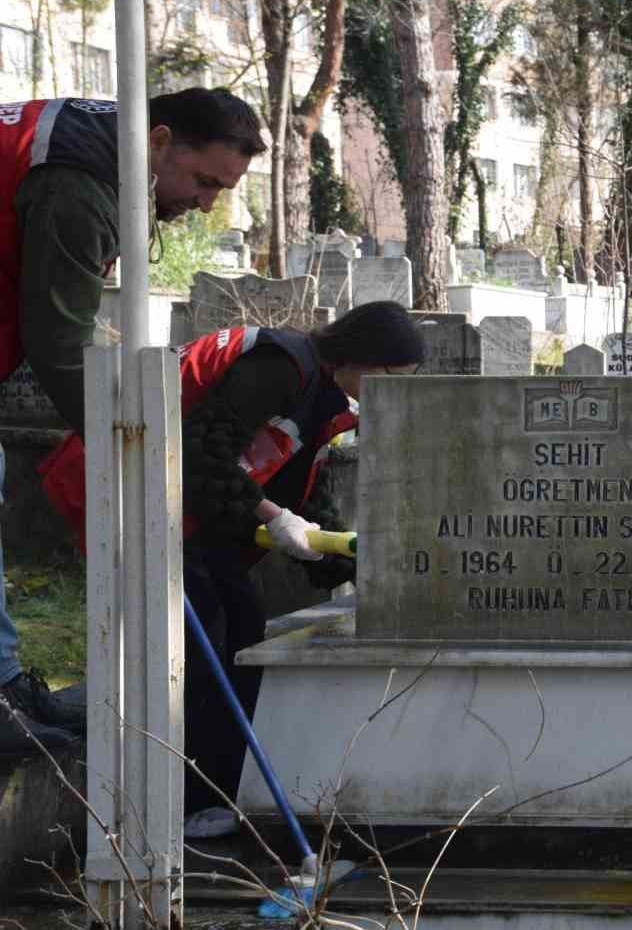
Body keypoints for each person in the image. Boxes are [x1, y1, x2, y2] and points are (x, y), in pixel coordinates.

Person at [43, 300, 424, 830]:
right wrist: (273, 516)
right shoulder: (279, 367)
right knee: (204, 642)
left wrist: (356, 568)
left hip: (187, 507)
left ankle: (220, 792)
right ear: (362, 355)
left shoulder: (326, 398)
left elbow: (298, 490)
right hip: (131, 485)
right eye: (391, 376)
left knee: (242, 627)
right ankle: (183, 803)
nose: (394, 390)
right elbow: (199, 453)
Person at [0, 89, 266, 757]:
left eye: (221, 190)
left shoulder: (106, 153)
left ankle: (3, 685)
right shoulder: (80, 183)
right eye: (204, 181)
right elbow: (61, 344)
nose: (206, 203)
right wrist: (125, 440)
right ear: (160, 140)